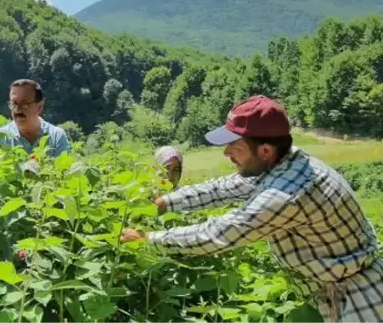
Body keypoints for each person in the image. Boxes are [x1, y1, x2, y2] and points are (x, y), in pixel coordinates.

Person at [120, 95, 383, 323]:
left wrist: (148, 239)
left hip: (358, 300)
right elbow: (224, 188)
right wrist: (165, 203)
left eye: (234, 147)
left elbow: (221, 233)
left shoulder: (286, 194)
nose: (226, 154)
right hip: (335, 289)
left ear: (266, 150)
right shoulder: (286, 162)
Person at [0, 79, 70, 161]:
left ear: (39, 107)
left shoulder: (56, 136)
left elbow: (65, 172)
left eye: (24, 103)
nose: (17, 109)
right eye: (14, 103)